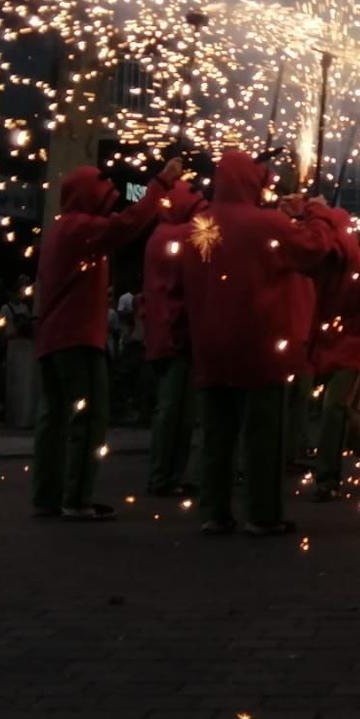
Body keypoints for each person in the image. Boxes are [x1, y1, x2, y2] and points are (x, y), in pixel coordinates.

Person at [182, 150, 332, 536]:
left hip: (211, 344)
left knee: (217, 435)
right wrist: (315, 214)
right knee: (264, 434)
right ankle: (263, 514)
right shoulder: (266, 225)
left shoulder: (201, 224)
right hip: (260, 343)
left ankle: (214, 512)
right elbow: (315, 250)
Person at [30, 159, 182, 520]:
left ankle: (47, 497)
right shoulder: (81, 228)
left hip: (53, 338)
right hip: (77, 338)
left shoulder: (60, 229)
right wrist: (160, 183)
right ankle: (77, 499)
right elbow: (128, 225)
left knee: (53, 420)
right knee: (90, 416)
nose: (110, 202)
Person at [306, 198, 360, 502]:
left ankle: (326, 478)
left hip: (353, 349)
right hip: (326, 349)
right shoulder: (324, 266)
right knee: (334, 410)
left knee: (333, 408)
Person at [139, 180, 202, 497]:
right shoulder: (176, 236)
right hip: (176, 337)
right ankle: (164, 476)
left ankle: (168, 475)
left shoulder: (160, 235)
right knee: (175, 410)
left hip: (166, 334)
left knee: (177, 410)